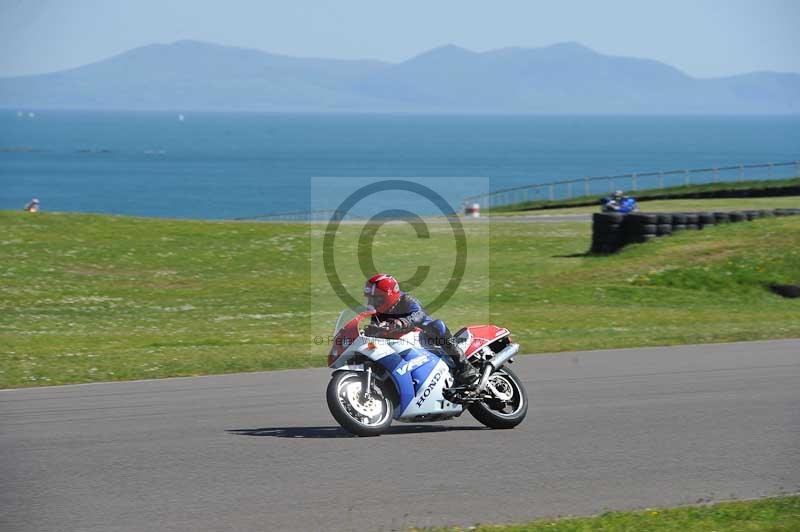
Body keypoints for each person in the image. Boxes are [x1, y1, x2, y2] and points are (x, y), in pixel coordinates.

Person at [363, 273, 480, 388]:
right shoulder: (378, 313)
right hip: (400, 345)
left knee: (437, 326)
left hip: (424, 340)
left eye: (376, 299)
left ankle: (465, 366)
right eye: (370, 299)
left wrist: (401, 322)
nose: (371, 303)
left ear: (389, 295)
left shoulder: (406, 300)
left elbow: (418, 315)